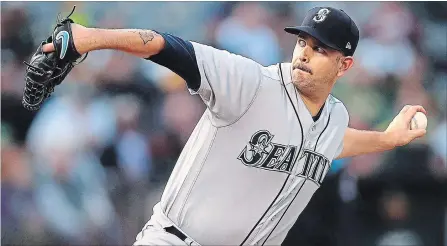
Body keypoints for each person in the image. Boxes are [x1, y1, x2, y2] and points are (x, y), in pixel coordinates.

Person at [42, 6, 427, 246]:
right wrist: (88, 38)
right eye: (303, 42)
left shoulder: (334, 119)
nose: (306, 53)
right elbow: (167, 46)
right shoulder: (251, 83)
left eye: (321, 48)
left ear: (344, 65)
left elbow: (335, 141)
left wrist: (389, 139)